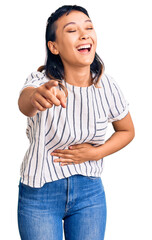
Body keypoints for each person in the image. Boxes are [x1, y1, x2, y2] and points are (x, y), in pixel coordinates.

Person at [17, 5, 135, 240]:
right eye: (72, 30)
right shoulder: (41, 81)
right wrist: (39, 95)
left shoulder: (107, 85)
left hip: (89, 193)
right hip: (40, 193)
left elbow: (127, 131)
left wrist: (95, 153)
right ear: (54, 46)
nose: (84, 34)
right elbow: (25, 102)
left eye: (89, 27)